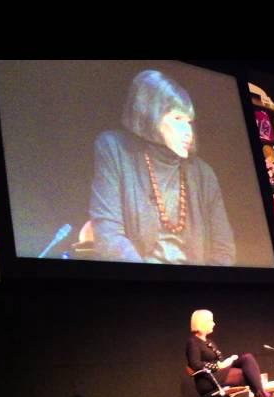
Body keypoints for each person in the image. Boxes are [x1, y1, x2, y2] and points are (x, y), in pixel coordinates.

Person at [90, 70, 236, 265]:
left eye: (189, 122)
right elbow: (108, 233)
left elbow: (224, 249)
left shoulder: (203, 174)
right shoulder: (114, 149)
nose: (188, 132)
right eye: (177, 119)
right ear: (151, 115)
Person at [185, 309, 274, 397]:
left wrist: (227, 362)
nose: (214, 324)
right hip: (207, 380)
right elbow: (194, 364)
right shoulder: (193, 342)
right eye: (211, 321)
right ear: (202, 323)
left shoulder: (209, 341)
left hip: (219, 374)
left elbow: (220, 361)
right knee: (248, 375)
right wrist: (218, 366)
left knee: (247, 358)